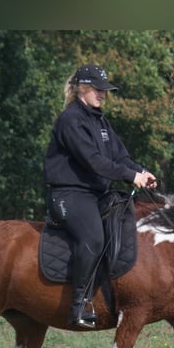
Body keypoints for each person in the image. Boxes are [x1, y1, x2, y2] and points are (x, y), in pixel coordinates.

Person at [44, 63, 157, 329]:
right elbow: (93, 161)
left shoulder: (100, 120)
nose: (103, 94)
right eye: (98, 89)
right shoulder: (70, 120)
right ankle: (78, 306)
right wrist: (130, 177)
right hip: (68, 194)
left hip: (96, 193)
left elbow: (119, 156)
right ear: (82, 88)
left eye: (105, 90)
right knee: (94, 237)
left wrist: (141, 171)